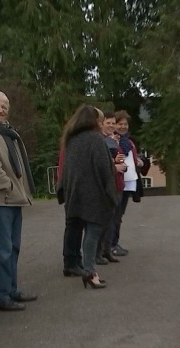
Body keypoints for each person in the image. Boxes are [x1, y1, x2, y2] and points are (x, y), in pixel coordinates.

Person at [57, 105, 118, 289]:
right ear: (93, 121)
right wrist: (111, 195)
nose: (101, 124)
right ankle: (90, 272)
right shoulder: (95, 140)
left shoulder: (71, 140)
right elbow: (104, 169)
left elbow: (65, 169)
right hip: (94, 195)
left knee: (75, 229)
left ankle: (78, 267)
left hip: (74, 194)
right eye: (99, 120)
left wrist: (63, 191)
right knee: (93, 232)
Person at [0, 90, 38, 311]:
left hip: (13, 200)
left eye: (4, 106)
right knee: (1, 250)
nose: (0, 110)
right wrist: (9, 187)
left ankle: (11, 289)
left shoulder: (8, 133)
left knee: (13, 248)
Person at [110, 110, 144, 257]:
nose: (123, 126)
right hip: (118, 181)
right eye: (120, 123)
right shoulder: (113, 141)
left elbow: (130, 158)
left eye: (125, 124)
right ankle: (110, 245)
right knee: (114, 214)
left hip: (129, 181)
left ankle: (114, 243)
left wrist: (139, 161)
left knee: (119, 215)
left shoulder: (128, 141)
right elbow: (114, 158)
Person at [96, 111, 125, 265]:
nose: (111, 126)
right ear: (101, 124)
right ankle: (99, 252)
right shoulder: (100, 141)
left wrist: (122, 164)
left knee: (113, 219)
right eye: (109, 123)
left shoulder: (113, 141)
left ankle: (107, 249)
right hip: (106, 185)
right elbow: (102, 164)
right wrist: (116, 165)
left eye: (113, 123)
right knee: (104, 220)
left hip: (117, 183)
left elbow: (117, 160)